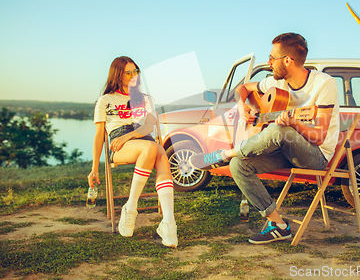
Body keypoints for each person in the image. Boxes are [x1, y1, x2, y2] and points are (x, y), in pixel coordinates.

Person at [190, 33, 339, 244]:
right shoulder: (276, 84)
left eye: (272, 58)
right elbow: (241, 88)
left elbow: (320, 136)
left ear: (287, 60)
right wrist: (244, 107)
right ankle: (278, 225)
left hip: (316, 156)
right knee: (238, 165)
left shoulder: (324, 84)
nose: (269, 62)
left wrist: (294, 123)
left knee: (281, 131)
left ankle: (223, 154)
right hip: (284, 152)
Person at [88, 56, 177, 248]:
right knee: (156, 150)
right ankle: (132, 209)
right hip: (119, 146)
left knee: (158, 151)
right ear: (118, 75)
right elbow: (98, 137)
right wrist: (94, 168)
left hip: (140, 139)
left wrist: (129, 136)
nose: (133, 75)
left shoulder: (145, 100)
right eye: (128, 72)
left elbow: (148, 127)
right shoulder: (105, 100)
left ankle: (168, 222)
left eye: (136, 71)